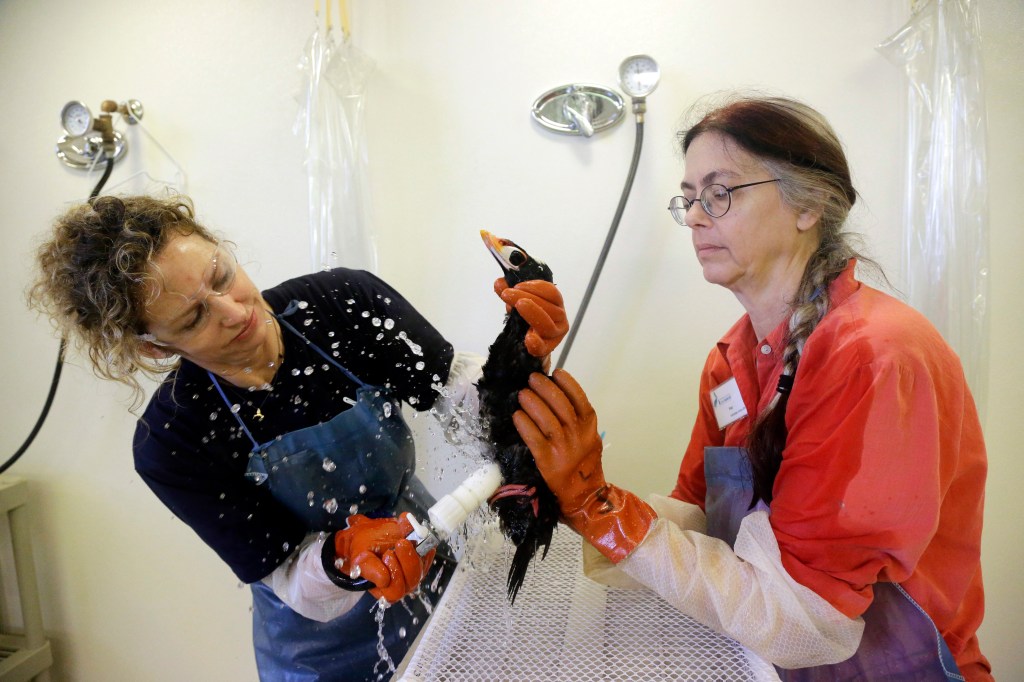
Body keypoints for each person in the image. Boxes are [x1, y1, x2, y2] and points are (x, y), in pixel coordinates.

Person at [512, 95, 992, 681]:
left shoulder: (873, 356)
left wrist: (600, 509)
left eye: (720, 193)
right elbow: (700, 518)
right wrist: (572, 498)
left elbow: (812, 620)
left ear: (809, 203)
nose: (694, 216)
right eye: (688, 198)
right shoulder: (732, 361)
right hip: (768, 663)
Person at [29, 194, 567, 681]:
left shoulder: (344, 304)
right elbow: (285, 572)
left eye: (220, 276)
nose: (237, 312)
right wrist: (344, 557)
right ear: (153, 347)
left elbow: (467, 405)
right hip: (320, 645)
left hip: (434, 572)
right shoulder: (173, 440)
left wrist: (522, 357)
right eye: (194, 319)